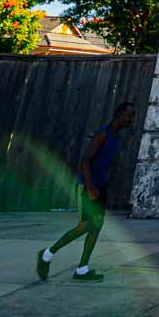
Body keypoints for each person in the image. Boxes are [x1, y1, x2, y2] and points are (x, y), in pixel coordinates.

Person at [35, 101, 136, 282]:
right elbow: (85, 161)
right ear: (120, 114)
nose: (130, 120)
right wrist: (90, 187)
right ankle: (47, 254)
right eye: (129, 116)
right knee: (86, 225)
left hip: (101, 187)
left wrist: (100, 187)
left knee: (96, 226)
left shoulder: (116, 137)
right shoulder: (102, 135)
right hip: (87, 187)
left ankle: (82, 269)